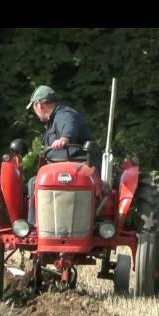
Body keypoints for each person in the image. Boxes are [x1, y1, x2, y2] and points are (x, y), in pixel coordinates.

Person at [25, 85, 96, 225]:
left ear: (38, 104)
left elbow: (69, 125)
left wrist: (64, 138)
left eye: (33, 108)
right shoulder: (52, 123)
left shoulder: (64, 114)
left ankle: (34, 224)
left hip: (79, 166)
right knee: (34, 181)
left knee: (34, 182)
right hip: (62, 166)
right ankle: (38, 226)